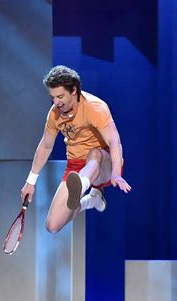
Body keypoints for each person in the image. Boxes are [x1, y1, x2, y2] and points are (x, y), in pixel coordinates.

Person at [20, 65, 131, 233]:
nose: (56, 102)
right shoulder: (54, 114)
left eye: (60, 96)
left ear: (74, 90)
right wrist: (30, 182)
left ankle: (82, 184)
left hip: (104, 163)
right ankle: (90, 200)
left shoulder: (95, 107)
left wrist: (116, 172)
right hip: (76, 167)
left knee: (94, 154)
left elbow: (114, 142)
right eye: (53, 97)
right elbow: (45, 145)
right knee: (53, 225)